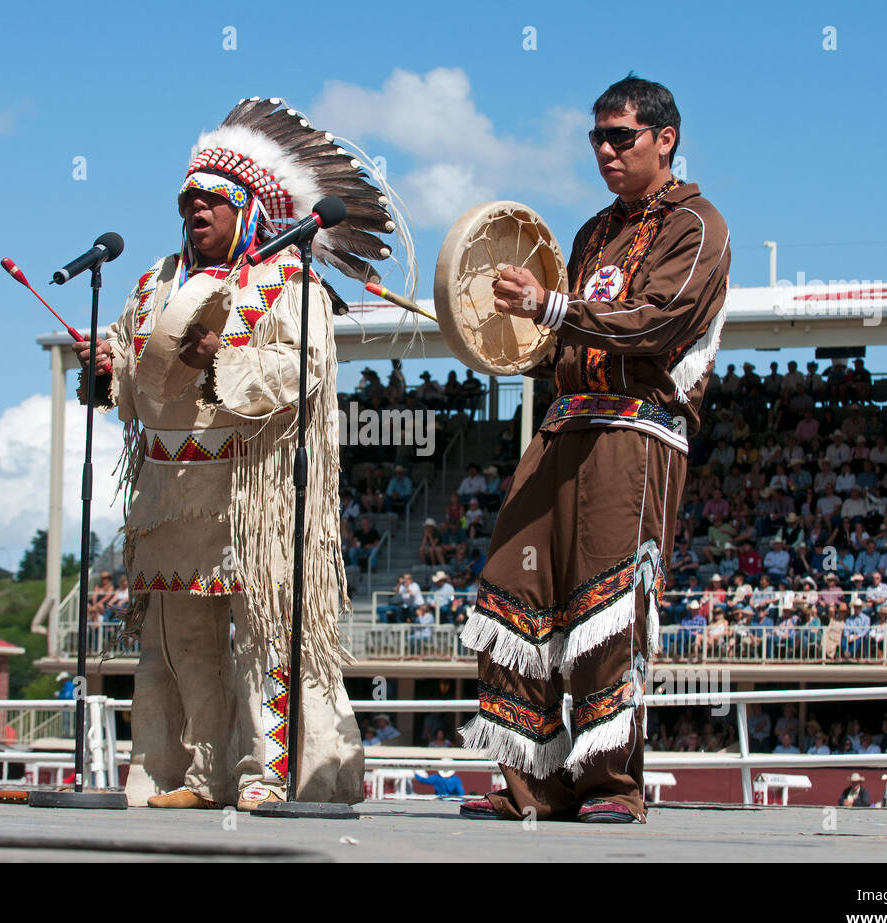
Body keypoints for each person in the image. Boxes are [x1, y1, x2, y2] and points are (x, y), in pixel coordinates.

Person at [72, 99, 402, 810]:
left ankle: (269, 777)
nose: (196, 211)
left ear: (247, 207)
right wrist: (105, 371)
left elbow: (302, 373)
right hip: (171, 497)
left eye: (212, 201)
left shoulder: (288, 280)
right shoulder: (153, 284)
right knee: (178, 647)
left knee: (265, 648)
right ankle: (194, 774)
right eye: (187, 200)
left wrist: (222, 356)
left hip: (253, 496)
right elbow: (139, 390)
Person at [458, 77, 729, 825]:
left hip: (636, 428)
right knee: (512, 591)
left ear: (664, 139)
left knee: (610, 600)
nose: (605, 150)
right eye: (596, 138)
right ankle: (531, 781)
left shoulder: (699, 225)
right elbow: (559, 339)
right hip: (564, 422)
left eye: (621, 137)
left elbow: (656, 323)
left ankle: (609, 783)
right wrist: (499, 327)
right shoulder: (586, 234)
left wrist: (549, 306)